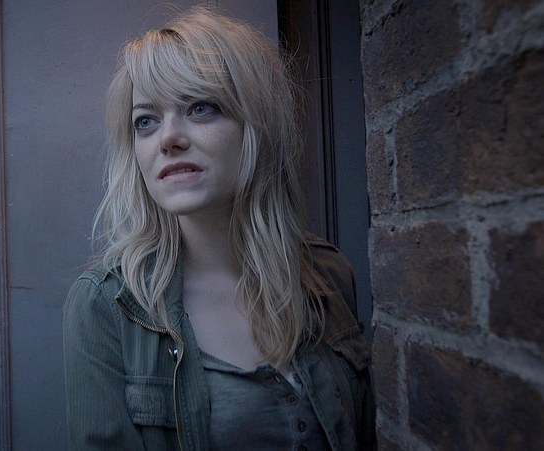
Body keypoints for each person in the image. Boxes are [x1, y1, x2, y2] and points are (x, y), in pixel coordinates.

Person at [63, 6, 375, 450]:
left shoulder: (327, 274)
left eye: (200, 107)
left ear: (255, 124)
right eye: (145, 121)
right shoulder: (106, 307)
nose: (168, 138)